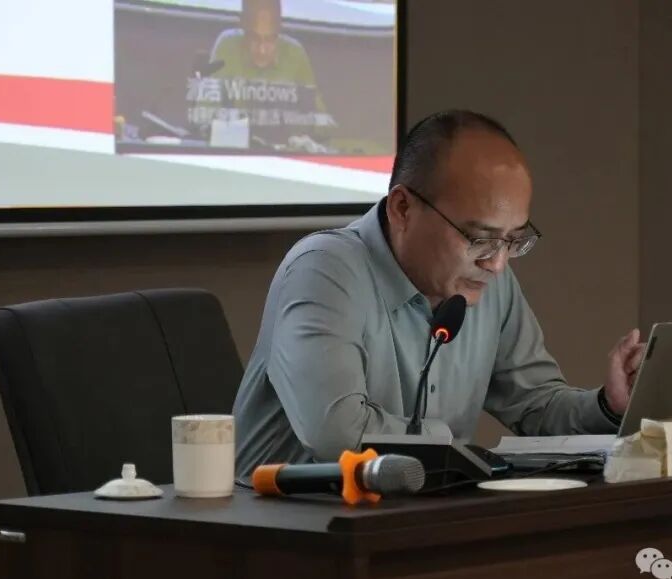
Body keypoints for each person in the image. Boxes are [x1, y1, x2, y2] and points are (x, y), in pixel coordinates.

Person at [232, 109, 645, 478]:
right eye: (479, 238)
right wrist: (456, 449)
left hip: (417, 515)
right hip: (288, 524)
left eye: (513, 240)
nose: (497, 263)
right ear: (402, 209)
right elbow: (338, 433)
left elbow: (536, 404)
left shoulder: (489, 280)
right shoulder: (324, 268)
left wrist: (608, 405)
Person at [194, 0, 332, 147]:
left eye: (270, 39)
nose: (262, 50)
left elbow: (322, 125)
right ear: (242, 27)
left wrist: (303, 137)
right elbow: (203, 115)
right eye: (255, 38)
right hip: (236, 152)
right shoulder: (227, 46)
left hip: (283, 154)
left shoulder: (295, 54)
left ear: (280, 30)